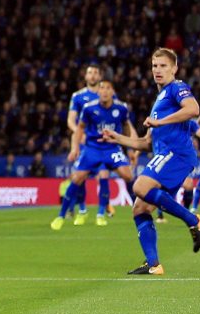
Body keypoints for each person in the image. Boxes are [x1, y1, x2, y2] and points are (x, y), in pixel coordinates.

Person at [102, 48, 200, 276]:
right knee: (139, 208)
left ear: (174, 68)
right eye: (154, 66)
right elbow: (145, 143)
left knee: (139, 186)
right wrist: (117, 138)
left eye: (163, 66)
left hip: (175, 153)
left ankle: (194, 219)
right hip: (166, 154)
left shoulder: (176, 88)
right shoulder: (159, 101)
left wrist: (162, 123)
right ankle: (153, 264)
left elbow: (193, 109)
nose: (157, 70)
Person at [52, 80, 137, 230]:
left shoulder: (121, 108)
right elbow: (79, 129)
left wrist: (130, 149)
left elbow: (126, 128)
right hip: (93, 149)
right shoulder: (89, 108)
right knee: (77, 177)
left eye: (108, 88)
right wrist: (75, 147)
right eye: (102, 88)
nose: (104, 91)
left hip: (112, 148)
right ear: (98, 92)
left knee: (128, 175)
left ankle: (139, 211)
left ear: (112, 92)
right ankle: (61, 215)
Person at [65, 64, 113, 223]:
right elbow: (71, 121)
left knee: (104, 174)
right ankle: (82, 210)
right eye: (89, 73)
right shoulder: (77, 97)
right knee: (79, 176)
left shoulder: (106, 94)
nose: (92, 76)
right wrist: (80, 135)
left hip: (103, 144)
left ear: (100, 77)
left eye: (95, 73)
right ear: (85, 77)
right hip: (85, 142)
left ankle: (101, 213)